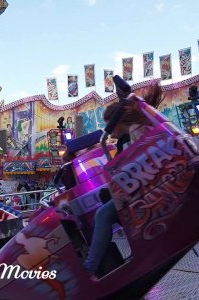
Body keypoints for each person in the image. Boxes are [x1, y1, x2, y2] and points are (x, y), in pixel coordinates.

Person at [83, 93, 156, 278]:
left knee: (103, 214)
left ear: (116, 122)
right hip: (138, 188)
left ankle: (89, 268)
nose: (109, 131)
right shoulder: (129, 136)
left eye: (109, 124)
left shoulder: (135, 131)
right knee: (104, 205)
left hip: (143, 190)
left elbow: (140, 163)